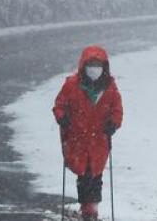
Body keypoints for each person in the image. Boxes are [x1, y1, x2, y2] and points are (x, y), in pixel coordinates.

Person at [53, 45, 123, 221]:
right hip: (78, 139)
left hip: (99, 140)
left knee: (96, 174)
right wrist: (62, 118)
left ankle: (92, 208)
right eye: (91, 64)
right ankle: (87, 208)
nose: (94, 68)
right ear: (83, 65)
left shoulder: (110, 88)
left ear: (104, 66)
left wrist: (113, 124)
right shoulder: (71, 85)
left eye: (97, 64)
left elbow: (117, 110)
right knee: (83, 174)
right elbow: (59, 105)